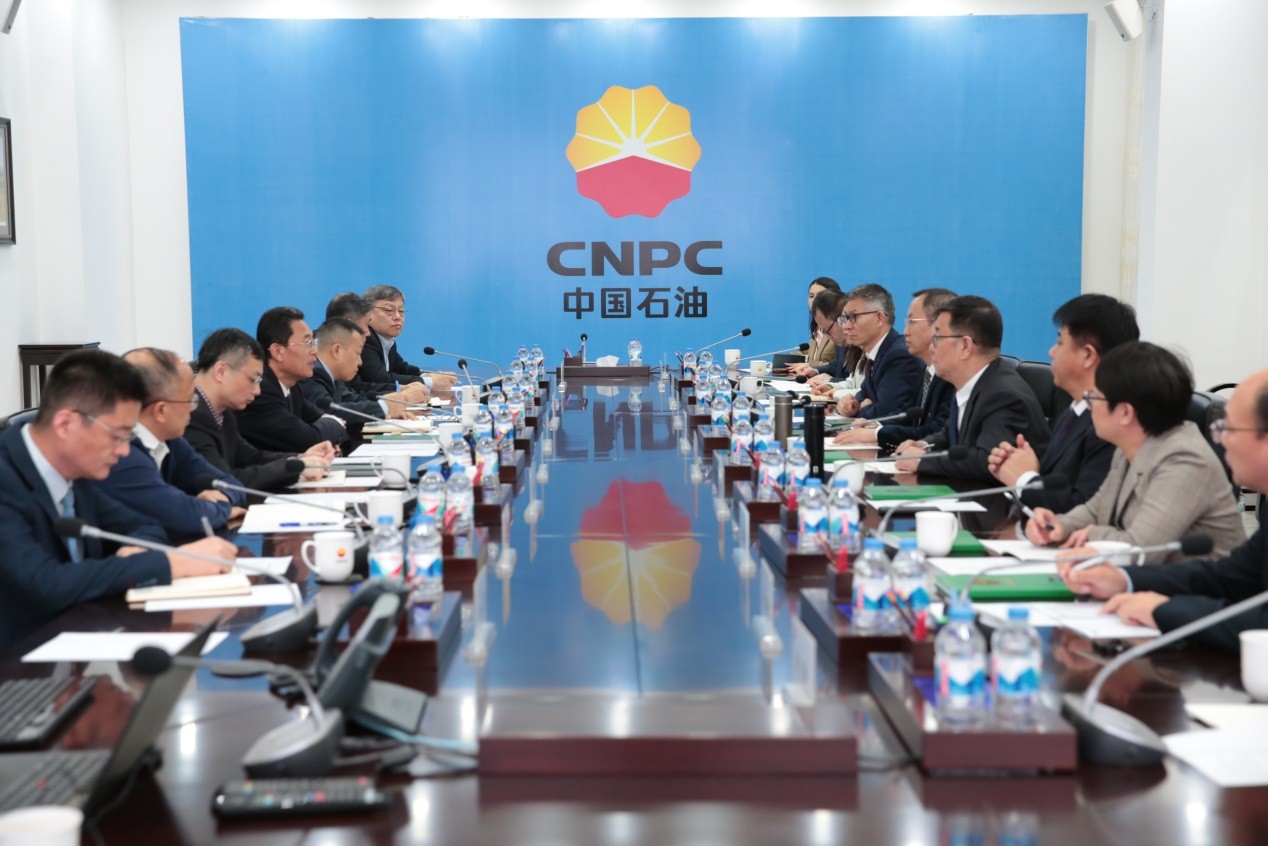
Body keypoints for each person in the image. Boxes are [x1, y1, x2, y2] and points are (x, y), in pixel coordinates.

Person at [0, 350, 233, 650]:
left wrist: (133, 558)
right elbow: (45, 584)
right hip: (17, 662)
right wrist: (164, 564)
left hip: (81, 642)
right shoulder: (7, 478)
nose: (125, 451)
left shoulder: (77, 471)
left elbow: (143, 527)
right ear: (66, 424)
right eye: (119, 435)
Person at [1059, 369, 1268, 653]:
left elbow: (1261, 621)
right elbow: (1229, 577)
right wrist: (1124, 580)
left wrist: (1163, 610)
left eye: (1228, 429)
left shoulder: (1185, 457)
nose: (1221, 440)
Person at [1024, 341, 1244, 562]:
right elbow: (1096, 509)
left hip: (1195, 582)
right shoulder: (1130, 447)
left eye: (1094, 397)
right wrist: (1059, 525)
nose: (1089, 406)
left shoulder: (1185, 461)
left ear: (1125, 413)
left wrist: (1091, 534)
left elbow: (1142, 549)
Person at [988, 294, 1139, 512]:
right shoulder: (1074, 411)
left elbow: (1082, 508)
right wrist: (1027, 468)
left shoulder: (1112, 425)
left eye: (1060, 342)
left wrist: (1025, 479)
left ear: (1087, 355)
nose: (1051, 352)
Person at [92, 348, 249, 543]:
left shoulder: (171, 441)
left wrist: (220, 497)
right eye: (190, 400)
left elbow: (230, 484)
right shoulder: (123, 454)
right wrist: (219, 509)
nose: (193, 408)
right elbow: (186, 516)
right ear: (160, 410)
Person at [895, 295, 1050, 480]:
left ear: (965, 346)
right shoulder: (973, 382)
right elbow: (949, 434)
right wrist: (922, 445)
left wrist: (922, 461)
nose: (931, 347)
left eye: (937, 337)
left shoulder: (1002, 396)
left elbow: (987, 461)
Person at [186, 328, 334, 492]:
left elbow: (250, 457)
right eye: (253, 379)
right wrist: (297, 467)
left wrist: (301, 458)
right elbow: (225, 482)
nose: (257, 391)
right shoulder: (188, 414)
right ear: (221, 371)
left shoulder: (223, 411)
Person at [833, 287, 956, 449]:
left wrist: (876, 430)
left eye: (912, 322)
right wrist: (861, 410)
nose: (905, 332)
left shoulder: (903, 356)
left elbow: (936, 431)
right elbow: (913, 421)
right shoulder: (929, 371)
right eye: (844, 318)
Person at [236, 306, 351, 453]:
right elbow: (309, 440)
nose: (314, 351)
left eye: (314, 342)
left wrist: (329, 439)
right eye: (307, 343)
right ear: (277, 351)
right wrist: (334, 424)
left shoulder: (292, 386)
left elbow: (319, 425)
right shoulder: (261, 391)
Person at [299, 317, 420, 429]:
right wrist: (384, 407)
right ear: (337, 350)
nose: (360, 362)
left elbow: (354, 400)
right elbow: (330, 413)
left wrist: (389, 407)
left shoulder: (331, 376)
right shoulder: (312, 374)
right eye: (358, 353)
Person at [830, 283, 924, 421]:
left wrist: (861, 409)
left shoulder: (899, 355)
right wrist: (848, 404)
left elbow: (884, 414)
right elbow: (863, 394)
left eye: (853, 317)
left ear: (879, 318)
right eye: (844, 319)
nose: (846, 326)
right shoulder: (876, 353)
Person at [358, 285, 457, 393]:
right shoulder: (364, 339)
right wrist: (430, 382)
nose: (397, 316)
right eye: (389, 310)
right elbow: (379, 378)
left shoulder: (386, 340)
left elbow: (402, 368)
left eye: (401, 311)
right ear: (368, 313)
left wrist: (428, 375)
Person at [802, 277, 841, 370]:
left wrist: (808, 365)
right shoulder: (817, 328)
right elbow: (810, 353)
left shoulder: (841, 326)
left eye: (820, 296)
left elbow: (839, 366)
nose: (814, 301)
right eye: (811, 296)